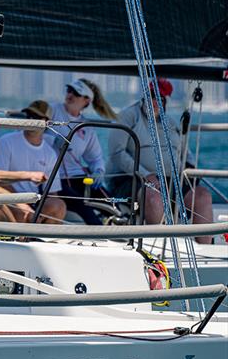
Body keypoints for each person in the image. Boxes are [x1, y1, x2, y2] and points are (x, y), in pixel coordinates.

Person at [108, 79, 213, 243]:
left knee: (202, 196)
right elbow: (117, 153)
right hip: (133, 179)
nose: (156, 102)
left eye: (161, 99)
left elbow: (185, 152)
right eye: (152, 96)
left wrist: (191, 171)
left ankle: (205, 249)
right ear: (145, 97)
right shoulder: (128, 116)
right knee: (154, 197)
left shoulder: (170, 123)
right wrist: (145, 175)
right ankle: (160, 250)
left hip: (171, 180)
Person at [48, 78, 118, 225]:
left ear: (86, 101)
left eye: (76, 93)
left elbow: (95, 158)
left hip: (77, 177)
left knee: (113, 204)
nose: (70, 95)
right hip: (54, 178)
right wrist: (52, 140)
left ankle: (127, 233)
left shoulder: (86, 127)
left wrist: (99, 171)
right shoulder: (51, 111)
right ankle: (100, 237)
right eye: (69, 90)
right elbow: (33, 131)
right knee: (84, 207)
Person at [0, 101, 67, 224]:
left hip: (33, 202)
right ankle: (27, 234)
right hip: (7, 198)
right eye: (29, 115)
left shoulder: (50, 153)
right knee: (19, 213)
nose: (31, 119)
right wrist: (22, 204)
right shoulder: (6, 142)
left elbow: (52, 193)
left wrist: (38, 212)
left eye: (36, 117)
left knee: (58, 206)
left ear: (47, 122)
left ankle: (42, 238)